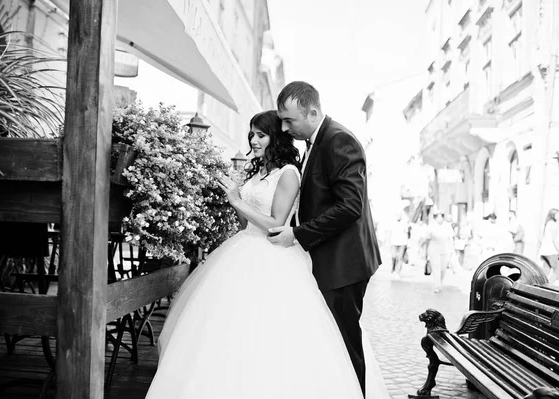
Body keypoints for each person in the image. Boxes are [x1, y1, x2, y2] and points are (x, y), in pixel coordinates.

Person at [145, 110, 388, 398]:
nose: (253, 139)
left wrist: (237, 199)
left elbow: (275, 224)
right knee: (226, 330)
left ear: (276, 138)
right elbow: (247, 224)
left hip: (274, 255)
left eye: (261, 134)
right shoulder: (257, 172)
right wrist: (235, 200)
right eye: (251, 134)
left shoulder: (288, 173)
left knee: (268, 332)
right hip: (242, 251)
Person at [267, 81, 382, 395]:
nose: (284, 127)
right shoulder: (317, 141)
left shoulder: (339, 140)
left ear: (313, 111)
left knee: (344, 344)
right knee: (330, 341)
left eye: (289, 120)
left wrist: (299, 234)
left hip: (344, 263)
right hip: (330, 258)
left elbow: (350, 206)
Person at [423, 211, 455, 293]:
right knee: (436, 267)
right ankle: (436, 285)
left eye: (441, 217)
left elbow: (451, 239)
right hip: (434, 249)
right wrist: (426, 252)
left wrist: (452, 250)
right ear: (435, 218)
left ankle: (440, 281)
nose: (440, 219)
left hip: (445, 249)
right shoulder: (431, 226)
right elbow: (427, 239)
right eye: (438, 217)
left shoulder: (447, 226)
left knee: (443, 268)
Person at [540, 208, 559, 284]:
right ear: (553, 215)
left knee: (546, 271)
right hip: (551, 251)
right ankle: (549, 286)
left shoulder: (547, 223)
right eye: (557, 214)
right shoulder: (553, 224)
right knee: (557, 270)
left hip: (544, 251)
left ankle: (541, 285)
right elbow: (554, 239)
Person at [389, 212, 410, 277]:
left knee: (400, 257)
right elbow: (389, 233)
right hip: (393, 242)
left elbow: (407, 234)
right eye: (397, 215)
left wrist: (408, 243)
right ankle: (393, 267)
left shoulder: (405, 223)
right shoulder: (392, 223)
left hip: (402, 243)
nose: (398, 216)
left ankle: (397, 272)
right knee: (393, 256)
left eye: (400, 215)